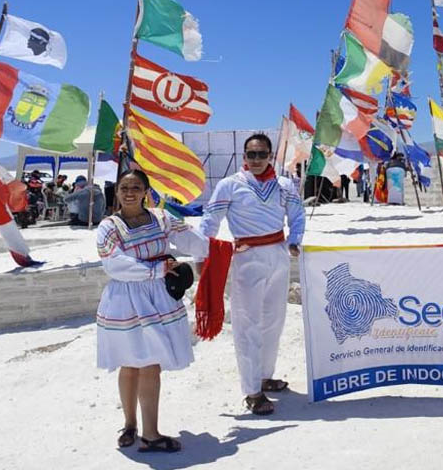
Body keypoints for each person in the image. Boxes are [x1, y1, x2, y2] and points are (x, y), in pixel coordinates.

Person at [96, 169, 208, 453]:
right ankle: (132, 424)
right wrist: (157, 269)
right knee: (130, 362)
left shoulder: (161, 218)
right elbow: (114, 265)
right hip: (127, 299)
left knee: (149, 361)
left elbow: (192, 239)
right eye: (124, 187)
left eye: (136, 187)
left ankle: (148, 432)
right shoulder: (109, 227)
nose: (130, 192)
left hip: (157, 298)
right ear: (117, 192)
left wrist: (217, 251)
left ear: (146, 191)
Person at [199, 134, 304, 415]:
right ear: (244, 156)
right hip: (247, 258)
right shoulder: (230, 185)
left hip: (279, 255)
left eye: (261, 154)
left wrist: (295, 238)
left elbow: (297, 213)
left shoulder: (283, 185)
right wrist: (201, 255)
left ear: (270, 155)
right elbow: (210, 220)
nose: (256, 160)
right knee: (247, 325)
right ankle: (252, 391)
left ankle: (264, 376)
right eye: (251, 154)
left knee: (274, 320)